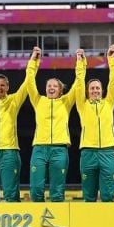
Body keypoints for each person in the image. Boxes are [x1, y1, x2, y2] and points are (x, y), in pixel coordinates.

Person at [0, 47, 39, 202]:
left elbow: (27, 83)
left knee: (11, 194)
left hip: (9, 152)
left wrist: (34, 62)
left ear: (8, 88)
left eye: (2, 85)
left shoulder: (14, 101)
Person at [24, 48, 84, 202]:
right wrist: (34, 61)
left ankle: (56, 221)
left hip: (59, 149)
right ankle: (39, 220)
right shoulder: (38, 101)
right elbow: (29, 80)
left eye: (55, 86)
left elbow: (79, 82)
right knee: (36, 189)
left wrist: (80, 62)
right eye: (49, 86)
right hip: (39, 148)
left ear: (61, 90)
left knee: (57, 190)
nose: (51, 88)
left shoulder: (66, 102)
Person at [76, 45, 114, 202]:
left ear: (102, 90)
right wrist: (81, 64)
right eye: (92, 88)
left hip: (108, 152)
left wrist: (112, 60)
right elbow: (79, 82)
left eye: (98, 88)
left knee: (108, 195)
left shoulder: (109, 103)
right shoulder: (82, 105)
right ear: (87, 92)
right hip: (88, 152)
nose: (95, 90)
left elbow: (113, 81)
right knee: (89, 196)